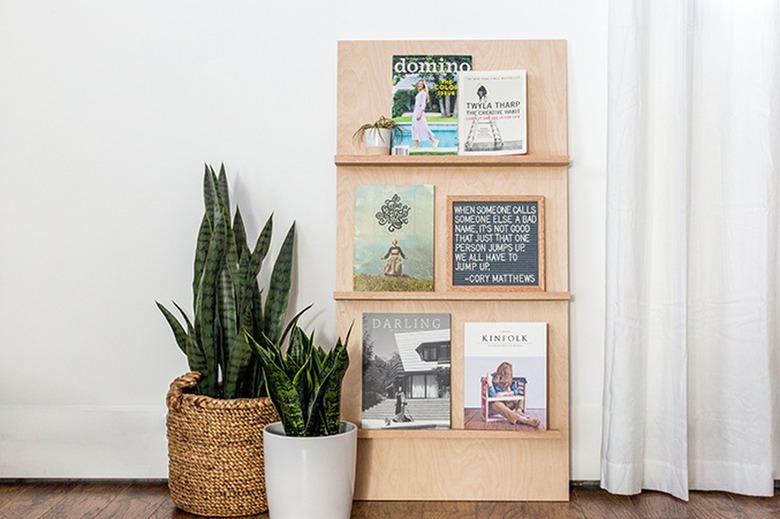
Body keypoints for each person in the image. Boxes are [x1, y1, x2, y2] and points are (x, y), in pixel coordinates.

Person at [488, 361, 540, 428]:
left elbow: (516, 391)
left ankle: (518, 412)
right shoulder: (494, 379)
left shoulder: (511, 381)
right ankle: (524, 420)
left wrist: (505, 393)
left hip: (508, 403)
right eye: (505, 375)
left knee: (523, 398)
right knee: (495, 404)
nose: (507, 378)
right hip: (499, 406)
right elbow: (494, 395)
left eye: (509, 375)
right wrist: (489, 384)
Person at [411, 80, 439, 151]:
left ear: (423, 85)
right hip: (416, 111)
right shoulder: (420, 93)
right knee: (415, 128)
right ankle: (416, 146)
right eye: (418, 84)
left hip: (419, 112)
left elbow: (423, 104)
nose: (419, 85)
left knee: (424, 127)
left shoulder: (423, 93)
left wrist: (420, 114)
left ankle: (434, 140)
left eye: (421, 84)